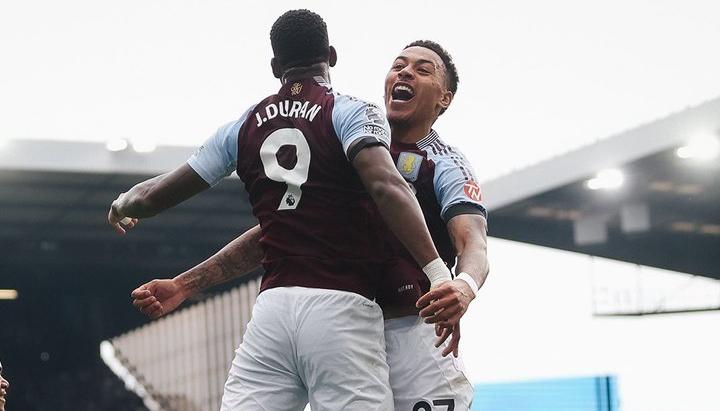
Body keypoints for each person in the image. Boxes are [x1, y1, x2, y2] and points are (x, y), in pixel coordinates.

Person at [110, 9, 462, 411]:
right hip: (341, 306)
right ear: (330, 55)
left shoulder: (242, 126)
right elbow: (387, 186)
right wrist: (438, 273)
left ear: (276, 66)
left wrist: (124, 204)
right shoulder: (351, 113)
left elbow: (157, 195)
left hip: (272, 311)